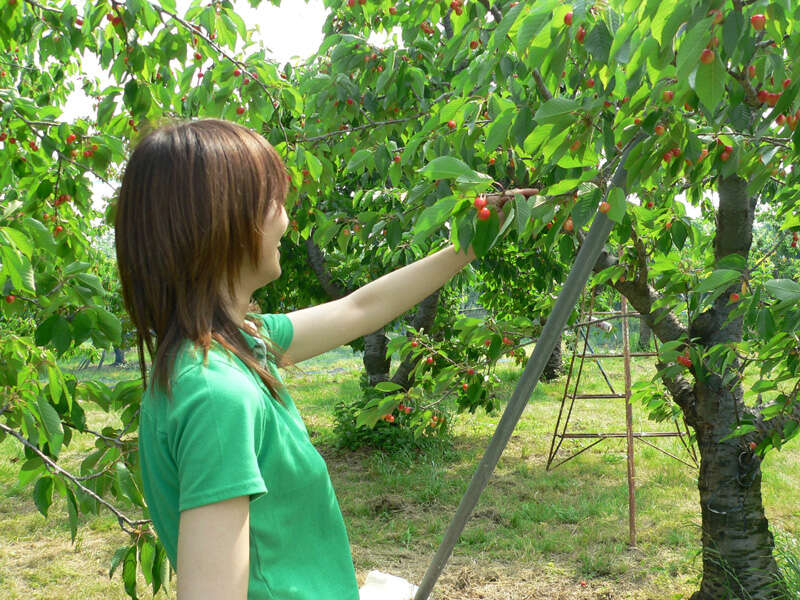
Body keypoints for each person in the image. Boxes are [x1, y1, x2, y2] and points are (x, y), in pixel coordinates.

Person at [114, 118, 483, 600]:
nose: (286, 220)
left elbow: (360, 308)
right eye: (273, 203)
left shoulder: (241, 343)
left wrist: (469, 245)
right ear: (222, 220)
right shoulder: (214, 395)